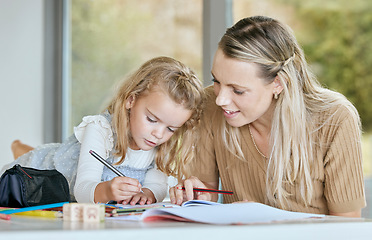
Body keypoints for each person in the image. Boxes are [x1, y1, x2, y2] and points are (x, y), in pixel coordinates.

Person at [169, 16, 366, 217]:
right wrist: (197, 195)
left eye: (237, 90)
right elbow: (206, 193)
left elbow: (346, 224)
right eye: (217, 81)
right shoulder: (210, 104)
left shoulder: (335, 119)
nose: (221, 99)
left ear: (279, 83)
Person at [3, 56, 204, 205]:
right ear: (131, 100)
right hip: (40, 174)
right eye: (152, 119)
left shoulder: (160, 143)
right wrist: (107, 190)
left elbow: (157, 186)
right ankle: (20, 149)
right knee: (15, 175)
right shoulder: (100, 129)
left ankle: (20, 147)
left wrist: (148, 194)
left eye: (171, 128)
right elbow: (82, 190)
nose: (159, 134)